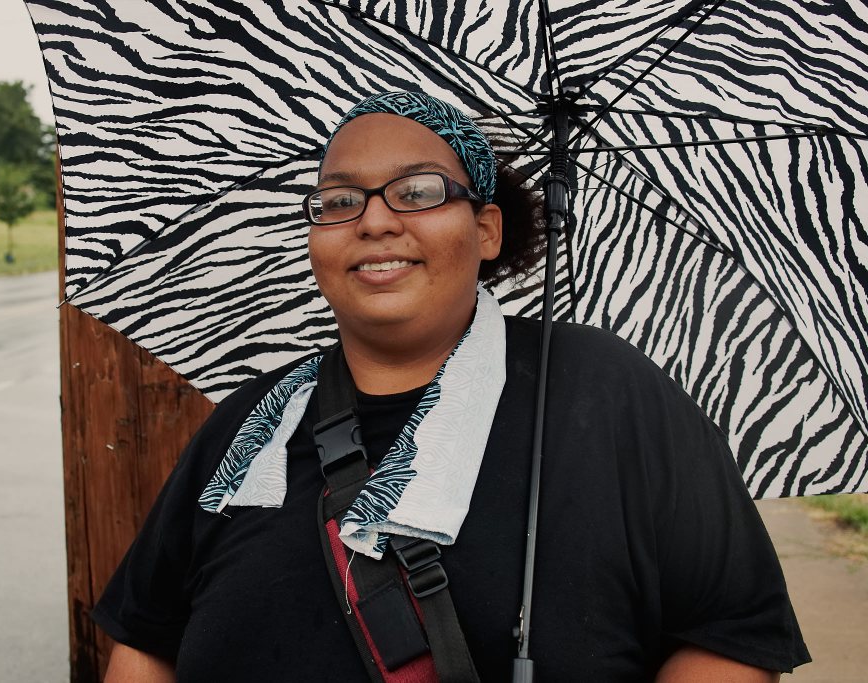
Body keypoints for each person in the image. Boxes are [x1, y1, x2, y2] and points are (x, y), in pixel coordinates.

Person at [93, 91, 810, 682]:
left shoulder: (610, 394)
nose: (374, 219)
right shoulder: (251, 427)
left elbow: (731, 638)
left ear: (487, 228)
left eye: (417, 191)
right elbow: (145, 640)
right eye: (339, 200)